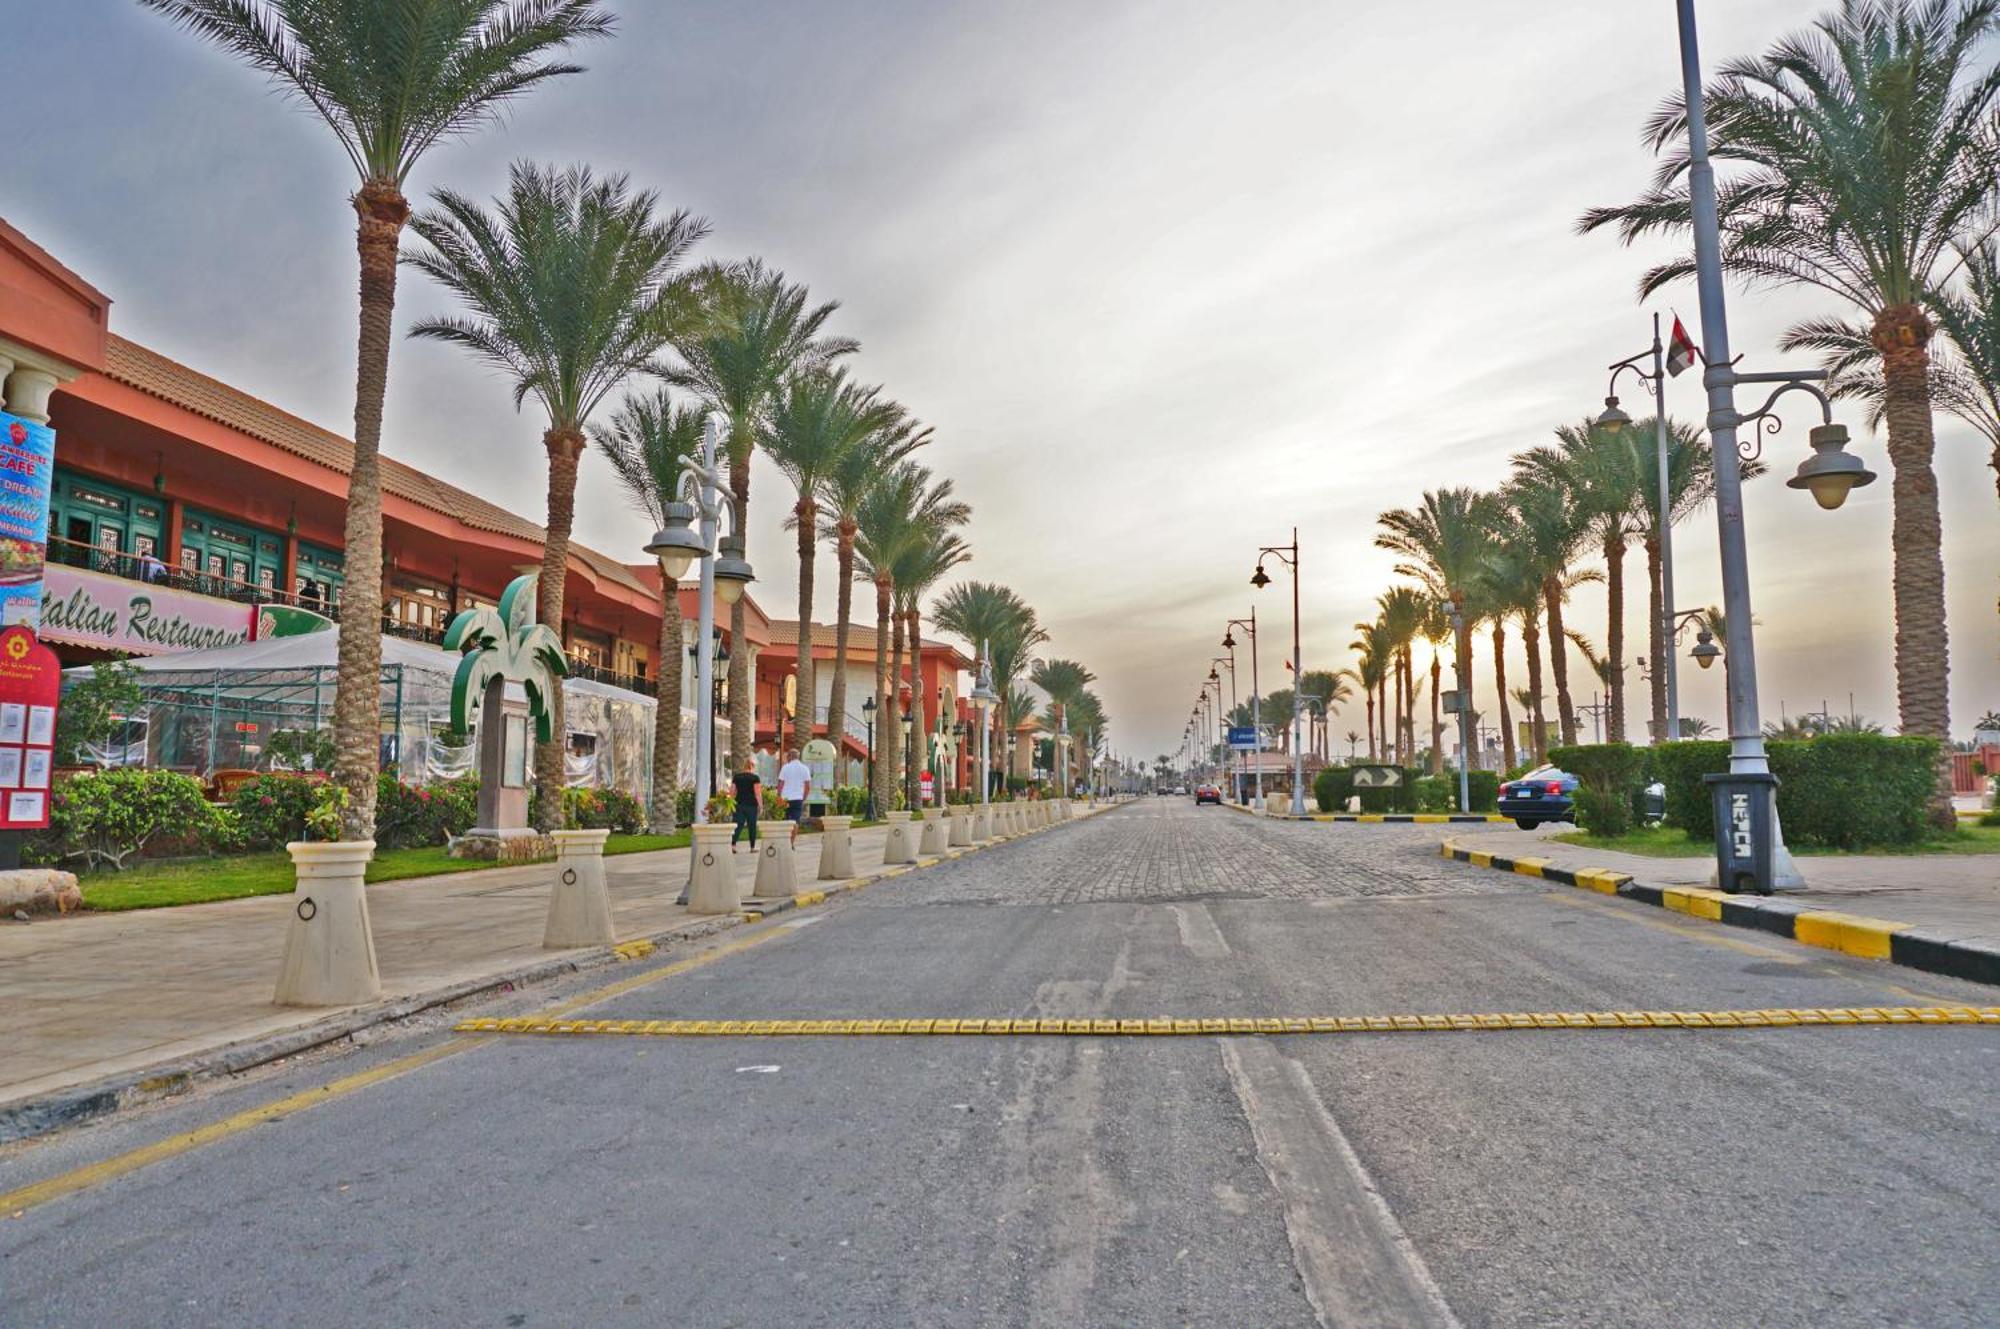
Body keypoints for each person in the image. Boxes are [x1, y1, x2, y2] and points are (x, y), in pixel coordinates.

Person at [777, 747, 813, 834]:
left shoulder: (785, 768)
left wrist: (778, 796)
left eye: (787, 756)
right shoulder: (805, 768)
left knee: (785, 821)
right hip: (798, 799)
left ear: (790, 756)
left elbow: (780, 784)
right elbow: (808, 787)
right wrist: (803, 798)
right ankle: (791, 843)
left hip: (785, 799)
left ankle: (785, 841)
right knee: (795, 822)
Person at [730, 761, 761, 852]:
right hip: (751, 805)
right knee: (752, 826)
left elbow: (732, 791)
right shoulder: (755, 778)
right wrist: (761, 805)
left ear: (744, 767)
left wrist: (730, 803)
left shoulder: (737, 777)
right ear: (752, 767)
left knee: (737, 825)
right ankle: (752, 847)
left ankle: (733, 846)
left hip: (739, 804)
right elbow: (757, 793)